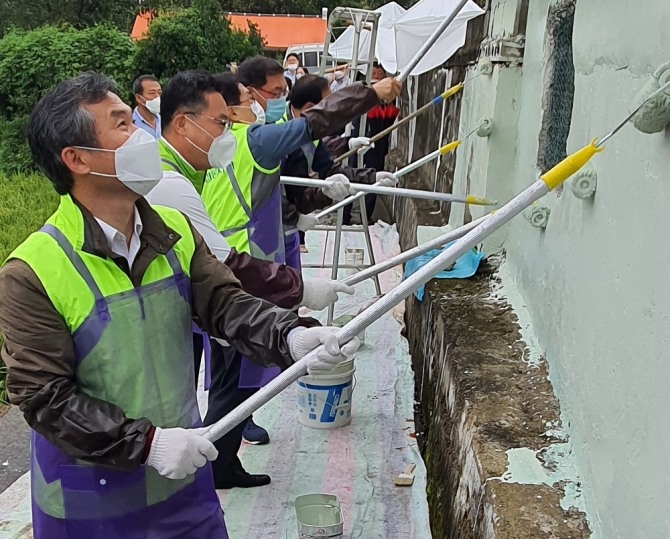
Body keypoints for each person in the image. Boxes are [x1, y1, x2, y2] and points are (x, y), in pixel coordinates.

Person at [0, 72, 361, 538]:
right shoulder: (33, 269)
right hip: (90, 503)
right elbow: (43, 397)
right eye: (123, 126)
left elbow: (226, 304)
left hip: (184, 486)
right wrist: (146, 444)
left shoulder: (170, 230)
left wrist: (290, 334)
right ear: (77, 159)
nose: (142, 137)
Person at [145, 70, 354, 489]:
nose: (230, 129)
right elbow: (223, 264)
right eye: (222, 121)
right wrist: (300, 292)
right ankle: (215, 467)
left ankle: (218, 464)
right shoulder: (168, 181)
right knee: (225, 384)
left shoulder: (186, 169)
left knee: (224, 379)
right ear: (182, 123)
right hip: (216, 291)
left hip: (212, 294)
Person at [280, 74, 398, 245]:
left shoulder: (308, 131)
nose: (332, 114)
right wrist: (295, 217)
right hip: (271, 227)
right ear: (310, 108)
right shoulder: (281, 135)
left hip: (289, 225)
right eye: (329, 108)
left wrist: (372, 177)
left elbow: (330, 169)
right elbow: (269, 191)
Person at [132, 74, 162, 138]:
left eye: (159, 93)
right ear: (138, 98)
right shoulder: (131, 125)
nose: (157, 97)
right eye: (152, 93)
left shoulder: (165, 120)